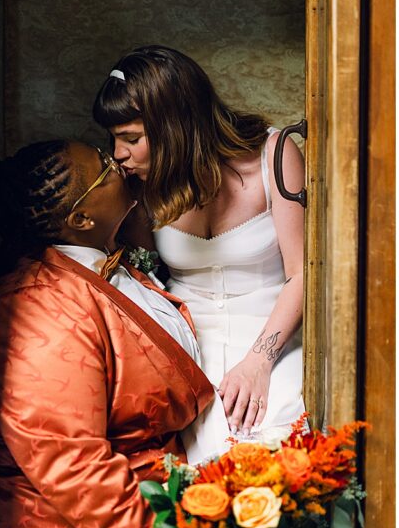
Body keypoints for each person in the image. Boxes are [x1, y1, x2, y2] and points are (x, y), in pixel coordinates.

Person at [0, 139, 219, 528]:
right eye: (104, 167)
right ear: (80, 220)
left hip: (152, 498)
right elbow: (77, 474)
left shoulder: (104, 261)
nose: (118, 163)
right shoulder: (41, 309)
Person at [94, 45, 305, 461]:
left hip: (274, 331)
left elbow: (303, 273)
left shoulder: (274, 155)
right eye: (116, 139)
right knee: (200, 459)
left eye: (131, 139)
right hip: (188, 341)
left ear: (175, 126)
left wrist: (258, 363)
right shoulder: (137, 181)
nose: (119, 153)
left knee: (280, 451)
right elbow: (139, 276)